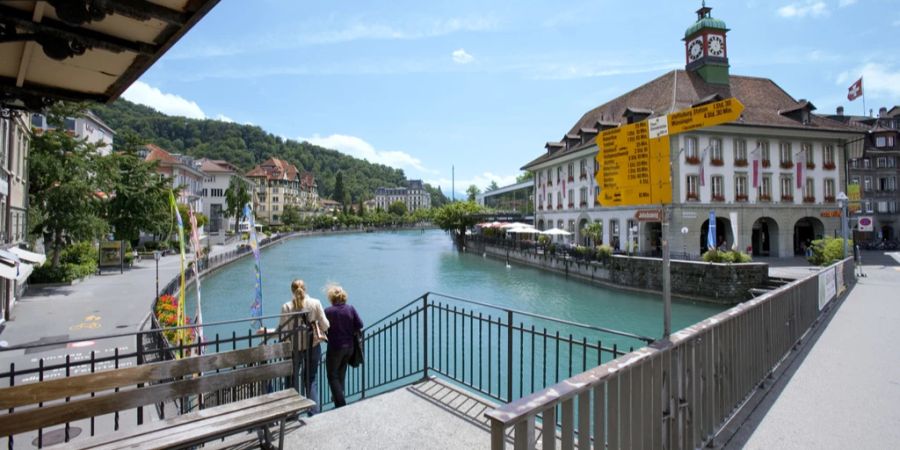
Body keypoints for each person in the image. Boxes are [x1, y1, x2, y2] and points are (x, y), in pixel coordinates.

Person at [263, 279, 329, 416]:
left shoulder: (286, 307)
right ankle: (314, 412)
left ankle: (292, 413)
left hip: (293, 349)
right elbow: (326, 326)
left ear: (292, 290)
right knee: (310, 379)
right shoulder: (315, 303)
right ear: (306, 288)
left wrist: (267, 331)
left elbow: (282, 331)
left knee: (291, 380)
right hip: (312, 346)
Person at [324, 284, 363, 408]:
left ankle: (341, 404)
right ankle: (338, 398)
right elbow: (360, 324)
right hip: (350, 347)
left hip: (335, 347)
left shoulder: (328, 311)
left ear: (331, 298)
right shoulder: (350, 309)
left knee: (332, 375)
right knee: (341, 373)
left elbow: (323, 327)